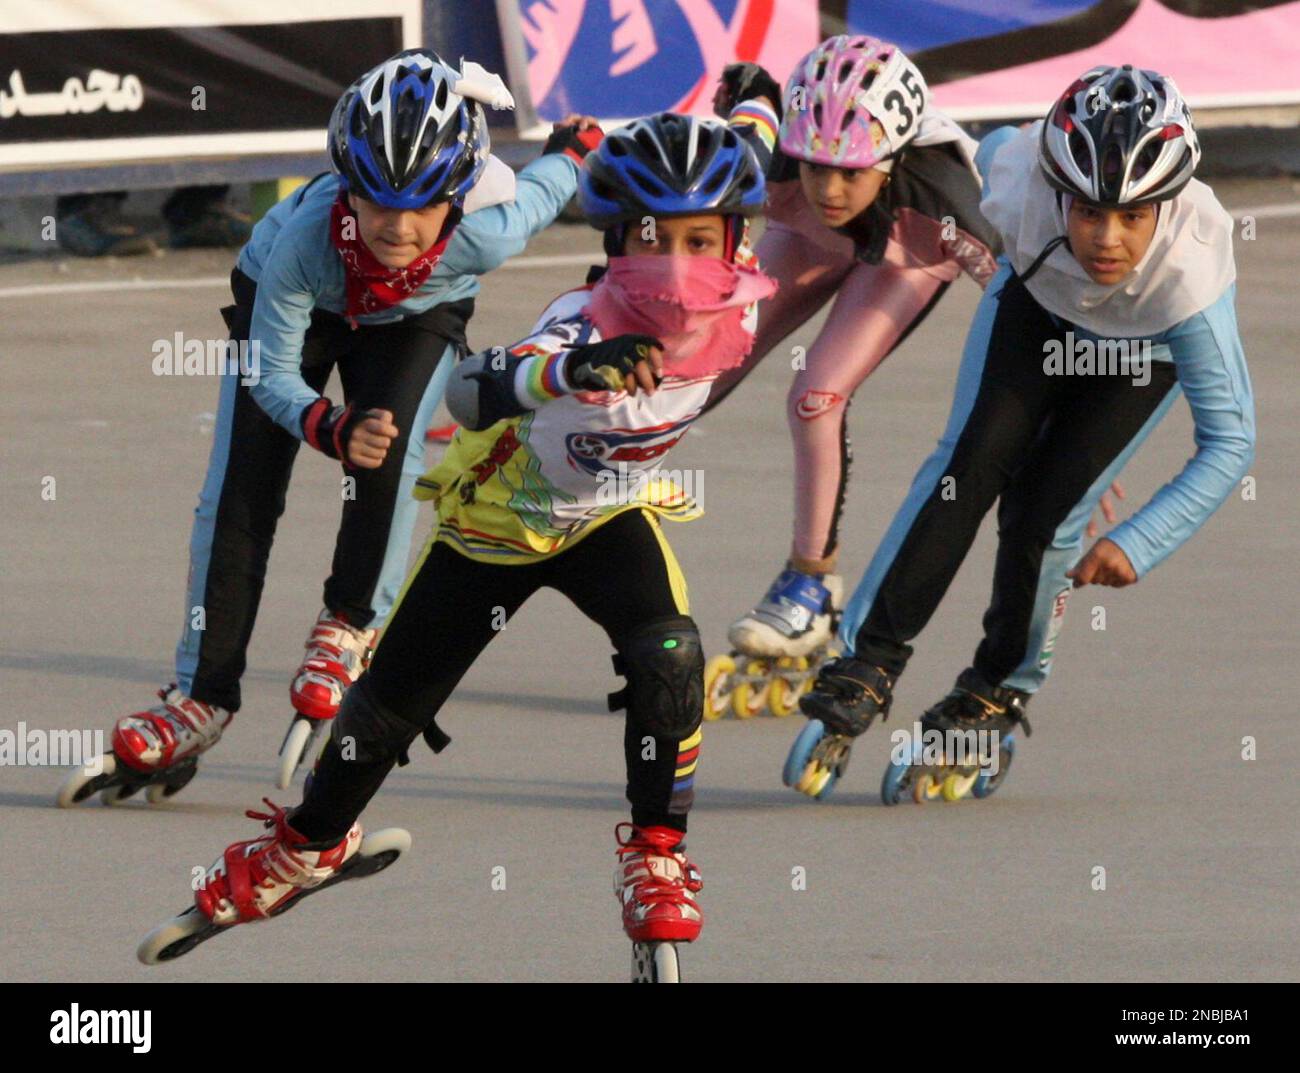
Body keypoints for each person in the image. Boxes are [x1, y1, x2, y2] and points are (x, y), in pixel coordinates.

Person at [145, 102, 779, 968]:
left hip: (607, 515)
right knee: (383, 714)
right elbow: (472, 392)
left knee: (670, 652)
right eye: (651, 239)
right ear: (615, 240)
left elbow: (756, 149)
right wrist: (564, 370)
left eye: (699, 242)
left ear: (738, 240)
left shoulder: (744, 295)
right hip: (498, 519)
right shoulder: (590, 320)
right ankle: (306, 846)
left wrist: (754, 105)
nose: (675, 266)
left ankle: (656, 855)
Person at [58, 49, 600, 807]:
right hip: (297, 306)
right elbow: (274, 376)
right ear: (346, 184)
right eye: (375, 200)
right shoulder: (305, 238)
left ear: (460, 194)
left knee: (393, 451)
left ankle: (348, 625)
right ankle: (201, 695)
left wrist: (570, 151)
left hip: (413, 319)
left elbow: (541, 193)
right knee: (240, 490)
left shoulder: (485, 232)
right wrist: (326, 423)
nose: (397, 227)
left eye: (421, 205)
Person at [785, 65, 1256, 801]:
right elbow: (990, 144)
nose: (1107, 238)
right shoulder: (1016, 176)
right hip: (1037, 308)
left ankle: (998, 687)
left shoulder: (1193, 274)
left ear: (1167, 206)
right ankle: (867, 660)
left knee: (1041, 519)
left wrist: (1141, 538)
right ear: (1055, 189)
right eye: (1089, 211)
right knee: (966, 466)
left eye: (1134, 216)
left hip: (1140, 351)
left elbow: (1230, 441)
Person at [704, 36, 1002, 704]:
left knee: (816, 396)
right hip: (809, 238)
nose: (831, 188)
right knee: (704, 358)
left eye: (850, 172)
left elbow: (1023, 310)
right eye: (815, 167)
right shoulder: (771, 155)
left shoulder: (951, 209)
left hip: (904, 253)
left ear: (891, 159)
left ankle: (810, 583)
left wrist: (1061, 416)